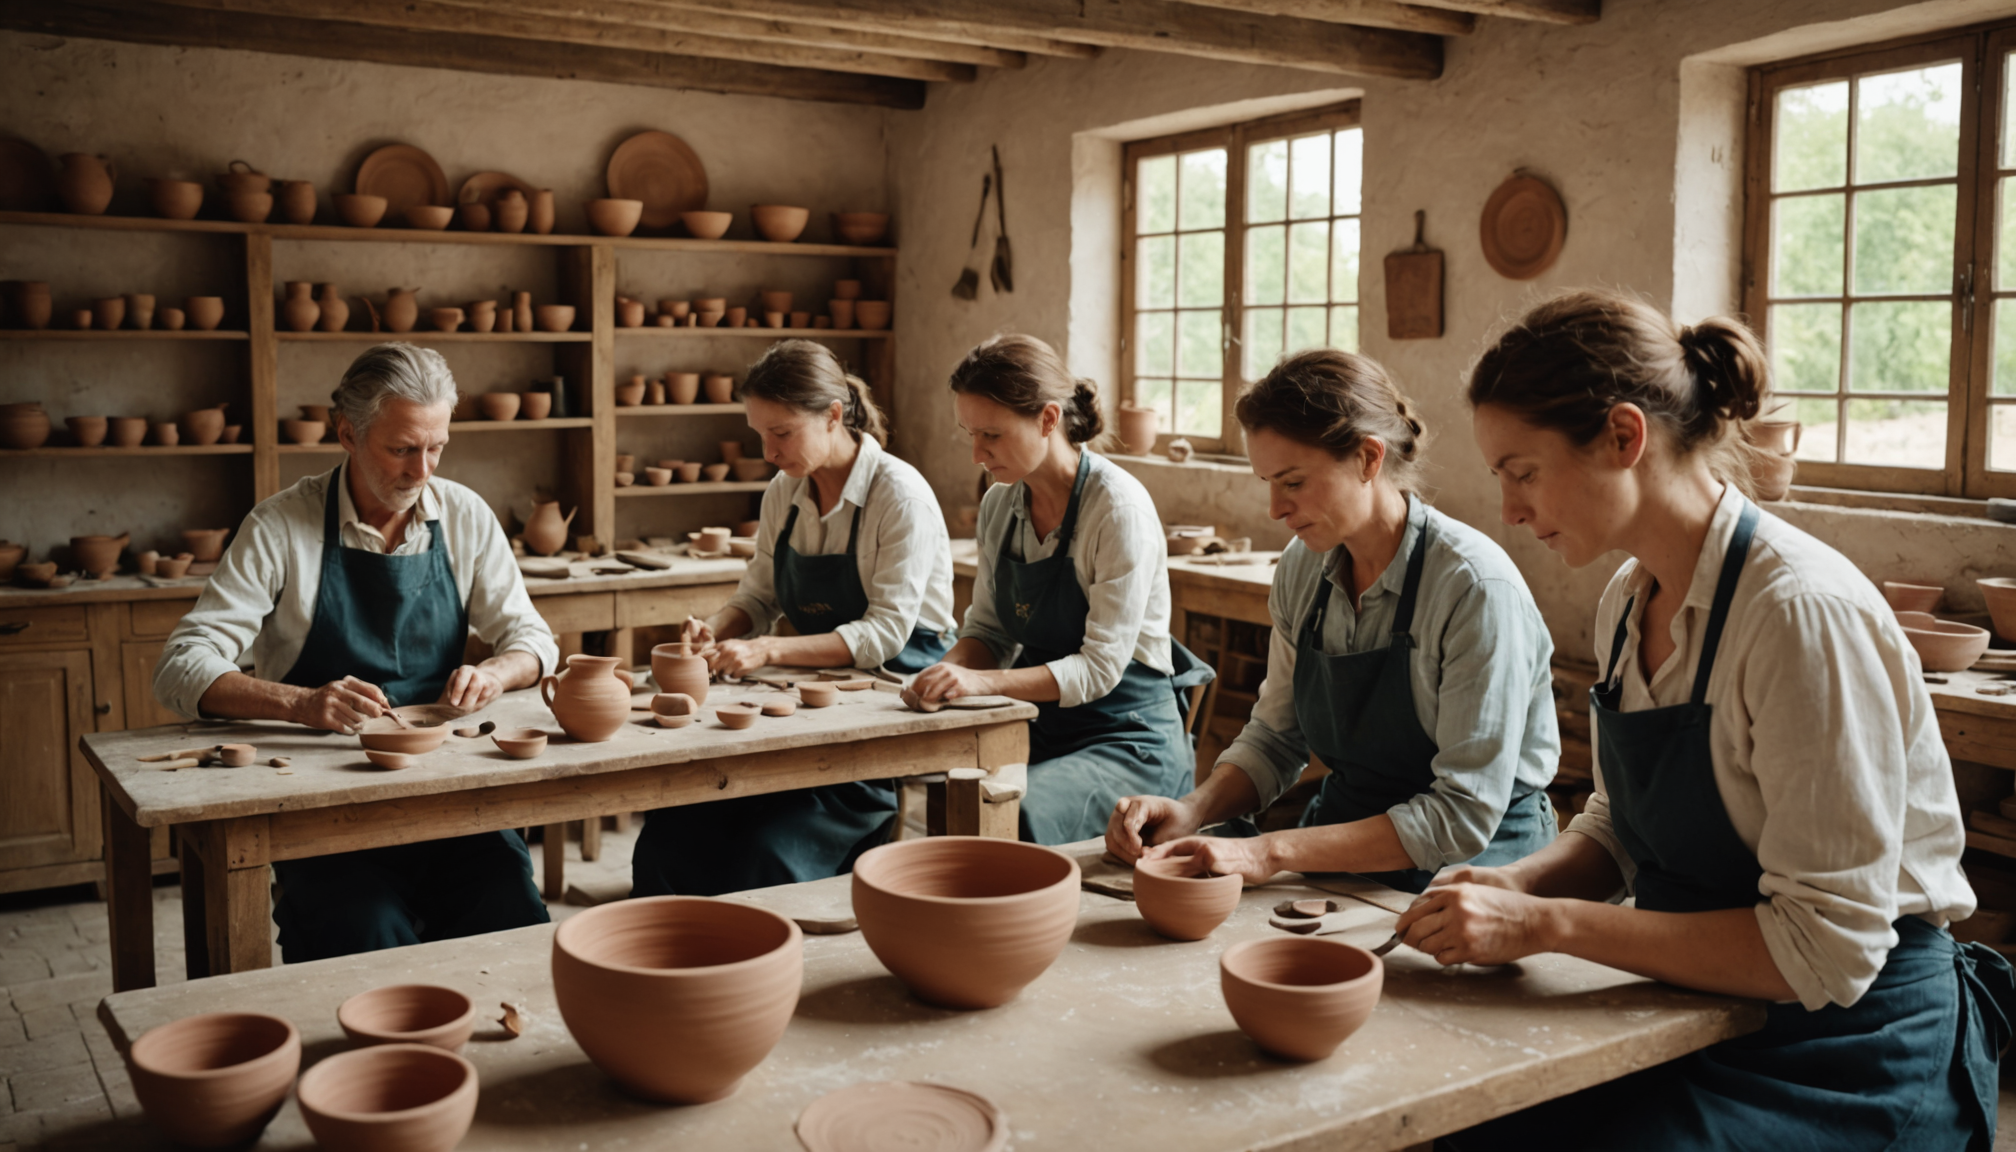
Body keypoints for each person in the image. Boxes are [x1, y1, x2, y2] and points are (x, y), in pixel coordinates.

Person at [1409, 291, 2012, 1149]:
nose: (1508, 510)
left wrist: (1546, 927)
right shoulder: (1629, 599)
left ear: (1625, 436)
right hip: (1696, 1002)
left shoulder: (1800, 615)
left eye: (1522, 471)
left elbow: (1824, 950)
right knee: (1470, 1115)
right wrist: (1518, 884)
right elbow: (1624, 827)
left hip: (1848, 1041)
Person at [154, 343, 556, 962]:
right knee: (363, 935)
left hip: (445, 789)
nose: (423, 469)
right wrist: (300, 702)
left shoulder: (466, 516)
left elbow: (534, 641)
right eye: (401, 449)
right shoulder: (279, 526)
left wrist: (497, 672)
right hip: (322, 802)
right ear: (347, 433)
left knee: (514, 919)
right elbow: (182, 663)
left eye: (437, 447)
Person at [1105, 349, 1558, 893]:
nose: (1275, 508)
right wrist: (1194, 808)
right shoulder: (1303, 567)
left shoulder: (1473, 588)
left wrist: (1270, 850)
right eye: (1268, 482)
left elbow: (1461, 814)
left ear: (1369, 458)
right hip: (1345, 834)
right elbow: (1276, 737)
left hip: (1478, 862)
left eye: (1293, 482)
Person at [631, 340, 957, 895]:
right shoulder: (784, 492)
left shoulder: (899, 496)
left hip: (894, 695)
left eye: (781, 433)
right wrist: (719, 626)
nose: (768, 451)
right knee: (672, 833)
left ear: (833, 415)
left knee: (763, 852)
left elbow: (883, 634)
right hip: (810, 691)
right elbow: (759, 598)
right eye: (760, 434)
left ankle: (759, 967)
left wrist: (767, 651)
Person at [909, 333, 1202, 844]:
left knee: (1013, 814)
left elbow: (1099, 668)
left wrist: (983, 684)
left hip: (1127, 736)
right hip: (1041, 726)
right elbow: (989, 631)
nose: (977, 453)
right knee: (948, 800)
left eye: (992, 436)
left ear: (1048, 419)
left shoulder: (1117, 509)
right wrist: (946, 672)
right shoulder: (1001, 505)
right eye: (970, 434)